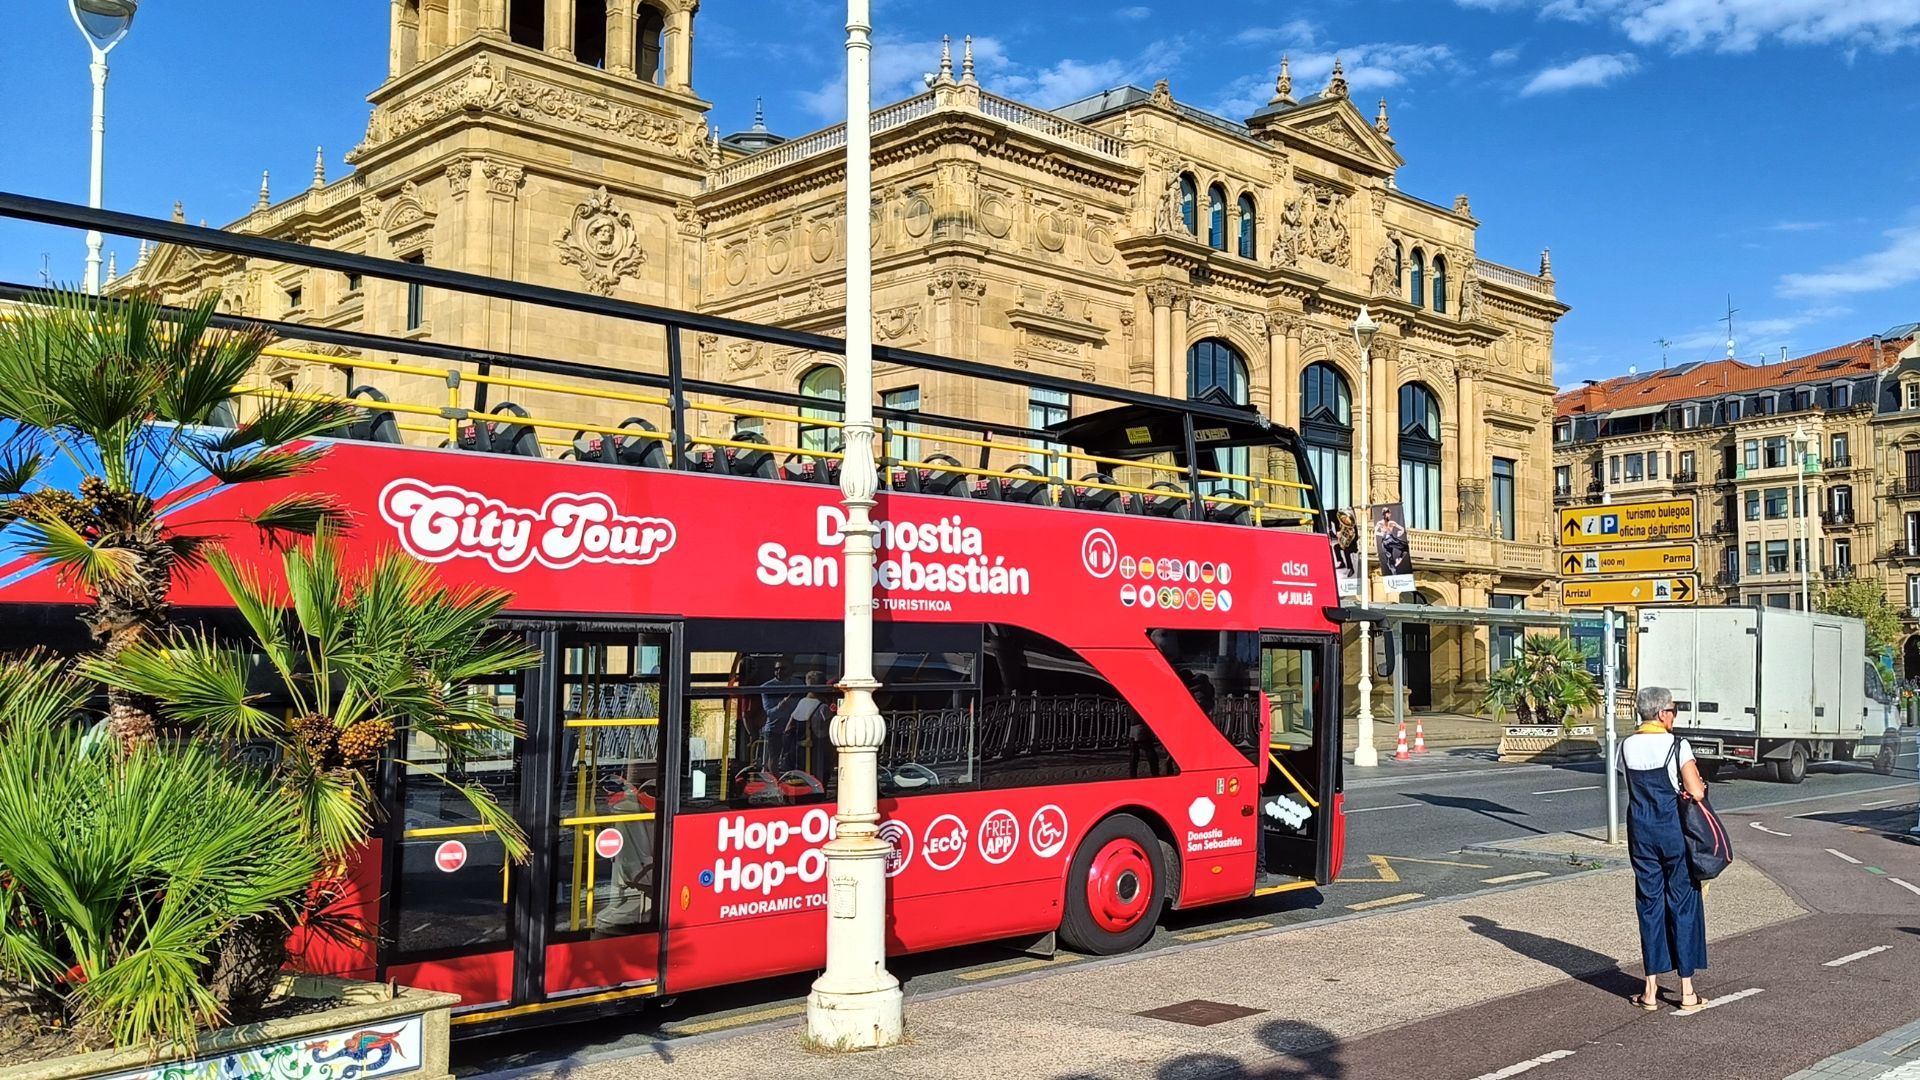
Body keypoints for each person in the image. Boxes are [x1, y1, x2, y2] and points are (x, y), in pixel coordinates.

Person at [1621, 685, 1711, 1013]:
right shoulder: (1677, 745)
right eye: (1673, 709)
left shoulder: (1626, 745)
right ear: (1662, 713)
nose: (1674, 715)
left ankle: (1649, 990)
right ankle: (1687, 991)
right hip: (1673, 833)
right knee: (1683, 904)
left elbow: (1628, 779)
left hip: (1641, 832)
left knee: (1649, 904)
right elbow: (1696, 792)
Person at [759, 660, 799, 772]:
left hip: (793, 728)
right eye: (776, 669)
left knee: (792, 757)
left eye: (783, 668)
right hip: (775, 728)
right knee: (774, 757)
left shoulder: (798, 684)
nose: (779, 671)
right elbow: (769, 713)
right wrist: (781, 705)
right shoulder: (767, 687)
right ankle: (775, 781)